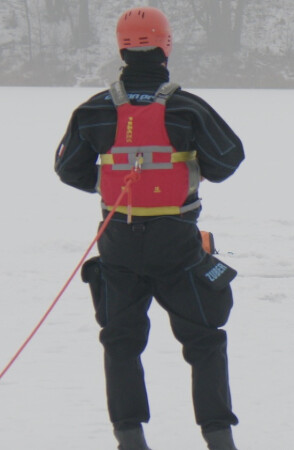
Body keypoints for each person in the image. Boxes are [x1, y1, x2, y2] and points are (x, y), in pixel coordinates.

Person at [54, 7, 244, 450]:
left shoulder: (94, 110)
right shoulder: (188, 107)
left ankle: (130, 438)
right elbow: (227, 160)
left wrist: (112, 182)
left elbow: (68, 169)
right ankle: (219, 438)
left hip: (117, 242)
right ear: (166, 47)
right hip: (177, 243)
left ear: (121, 49)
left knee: (120, 343)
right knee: (205, 341)